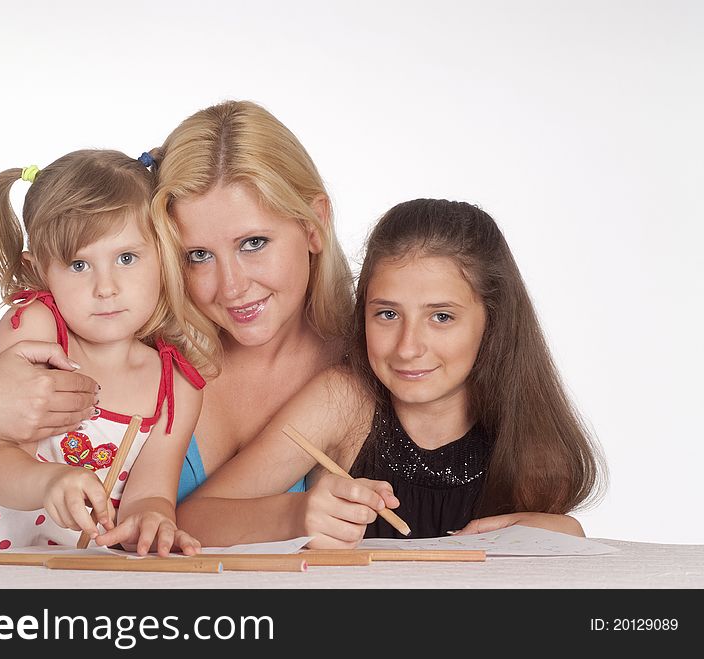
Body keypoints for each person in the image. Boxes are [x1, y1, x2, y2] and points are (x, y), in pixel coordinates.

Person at [0, 101, 356, 526]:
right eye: (197, 254)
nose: (232, 286)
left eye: (253, 243)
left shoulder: (368, 365)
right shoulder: (121, 331)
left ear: (313, 223)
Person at [174, 199, 606, 548]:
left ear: (493, 320)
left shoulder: (526, 436)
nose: (408, 347)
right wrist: (295, 513)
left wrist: (561, 535)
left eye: (441, 317)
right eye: (386, 314)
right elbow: (194, 517)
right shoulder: (344, 400)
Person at [0, 150, 210, 559]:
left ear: (164, 255)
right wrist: (48, 481)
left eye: (126, 258)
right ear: (38, 270)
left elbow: (152, 493)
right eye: (78, 264)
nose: (106, 287)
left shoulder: (176, 384)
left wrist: (151, 520)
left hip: (76, 582)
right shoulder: (35, 330)